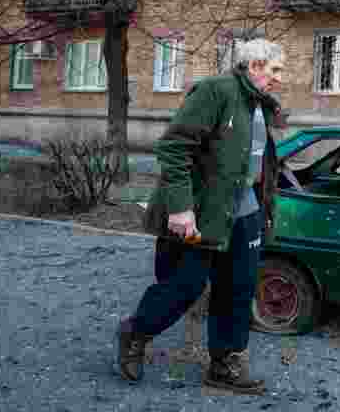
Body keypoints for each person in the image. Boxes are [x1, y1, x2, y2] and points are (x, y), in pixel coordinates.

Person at [114, 39, 285, 395]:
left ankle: (224, 365)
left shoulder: (260, 103)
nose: (279, 78)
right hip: (203, 211)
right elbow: (175, 148)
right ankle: (135, 333)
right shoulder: (215, 91)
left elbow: (257, 161)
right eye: (275, 70)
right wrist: (180, 207)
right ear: (254, 65)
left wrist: (265, 210)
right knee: (185, 285)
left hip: (245, 212)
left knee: (237, 290)